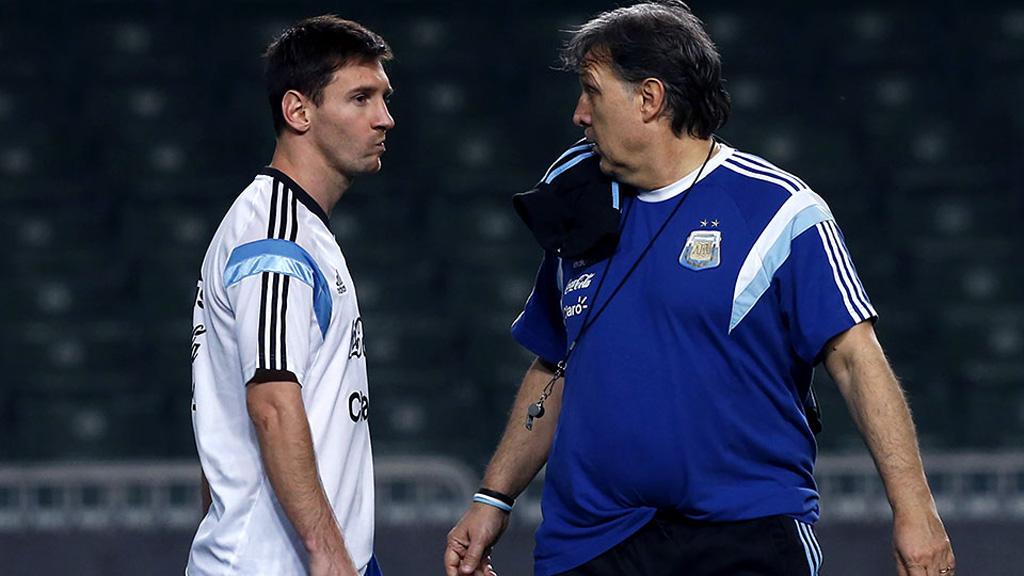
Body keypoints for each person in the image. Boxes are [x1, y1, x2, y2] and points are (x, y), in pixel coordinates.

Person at [445, 2, 955, 576]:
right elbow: (555, 363)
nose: (579, 115)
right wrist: (494, 497)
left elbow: (858, 362)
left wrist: (915, 510)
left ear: (650, 99)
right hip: (590, 542)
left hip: (744, 535)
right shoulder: (575, 199)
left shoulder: (779, 210)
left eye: (592, 91)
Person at [186, 15, 394, 576]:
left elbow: (227, 408)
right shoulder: (274, 235)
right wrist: (327, 555)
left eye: (383, 98)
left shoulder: (299, 228)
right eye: (361, 98)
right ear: (298, 111)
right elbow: (272, 406)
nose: (384, 119)